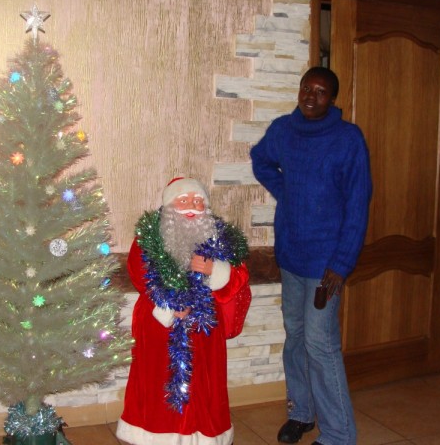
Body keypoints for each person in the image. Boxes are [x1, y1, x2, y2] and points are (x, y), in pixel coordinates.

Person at [250, 67, 372, 445]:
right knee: (296, 338)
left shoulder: (348, 139)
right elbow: (260, 159)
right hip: (292, 256)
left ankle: (338, 434)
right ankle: (301, 413)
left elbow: (358, 204)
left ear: (332, 99)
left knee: (321, 345)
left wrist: (342, 263)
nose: (310, 96)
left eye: (320, 92)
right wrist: (286, 190)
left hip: (326, 265)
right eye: (307, 88)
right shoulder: (283, 130)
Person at [116, 177, 251, 445]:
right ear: (169, 205)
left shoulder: (221, 238)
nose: (192, 206)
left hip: (204, 329)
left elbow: (239, 277)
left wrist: (215, 270)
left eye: (198, 201)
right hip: (160, 325)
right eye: (184, 200)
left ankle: (205, 437)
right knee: (158, 383)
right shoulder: (149, 236)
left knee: (204, 385)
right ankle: (155, 436)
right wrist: (172, 303)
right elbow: (139, 271)